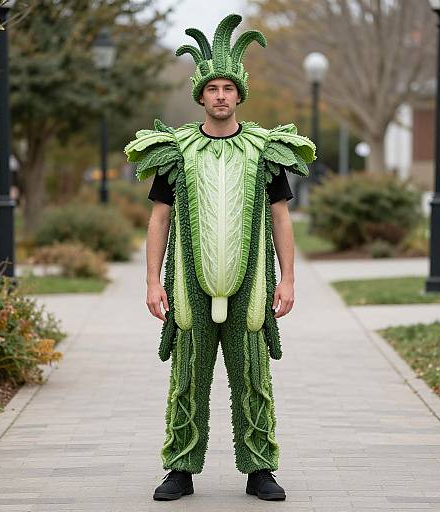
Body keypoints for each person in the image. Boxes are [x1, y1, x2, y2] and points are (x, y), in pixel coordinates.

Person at [124, 13, 316, 502]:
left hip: (251, 287)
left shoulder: (263, 150)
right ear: (201, 95)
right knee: (187, 379)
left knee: (252, 377)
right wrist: (152, 281)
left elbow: (281, 218)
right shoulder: (177, 151)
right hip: (189, 284)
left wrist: (287, 279)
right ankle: (180, 469)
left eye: (229, 87)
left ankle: (260, 470)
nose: (221, 95)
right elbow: (159, 220)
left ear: (239, 94)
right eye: (213, 88)